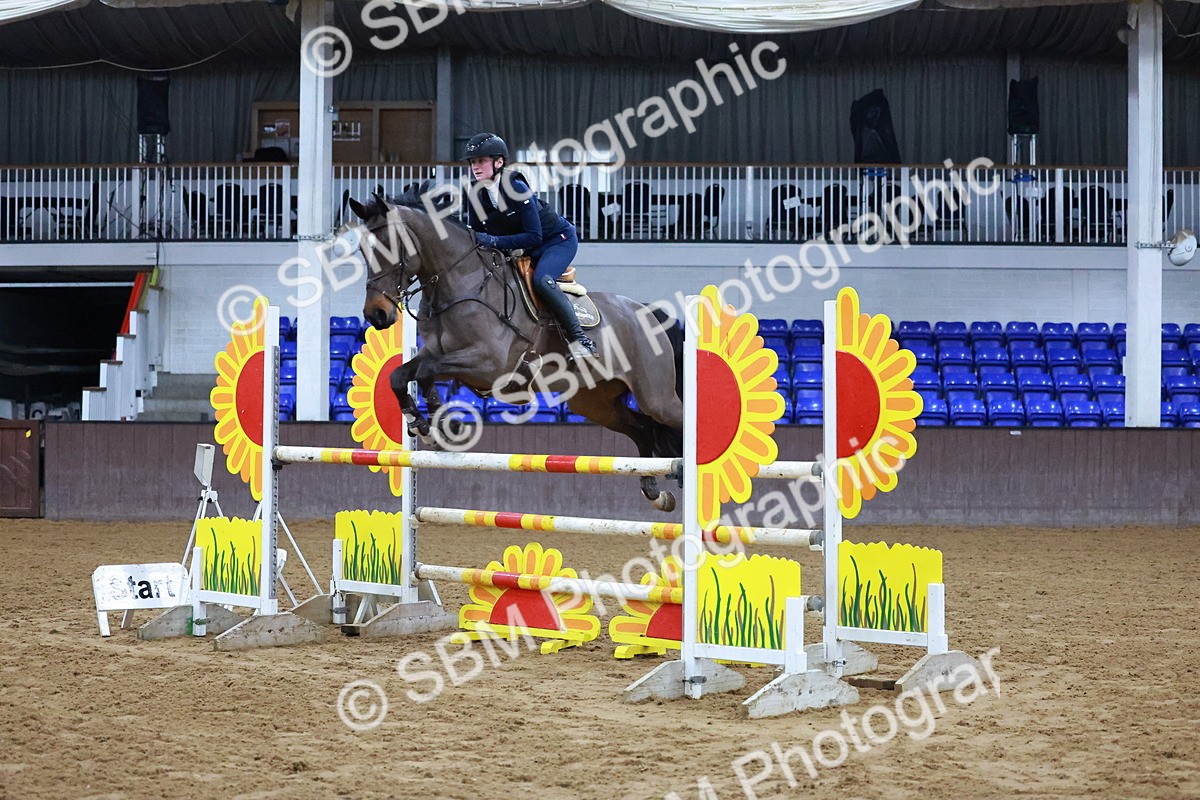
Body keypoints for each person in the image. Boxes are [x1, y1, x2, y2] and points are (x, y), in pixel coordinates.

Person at [461, 132, 597, 362]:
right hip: (519, 247)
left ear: (499, 162)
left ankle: (580, 340)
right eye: (473, 162)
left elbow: (534, 237)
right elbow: (477, 235)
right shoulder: (474, 192)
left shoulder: (516, 187)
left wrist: (494, 242)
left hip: (556, 240)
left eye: (481, 160)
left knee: (542, 281)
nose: (476, 166)